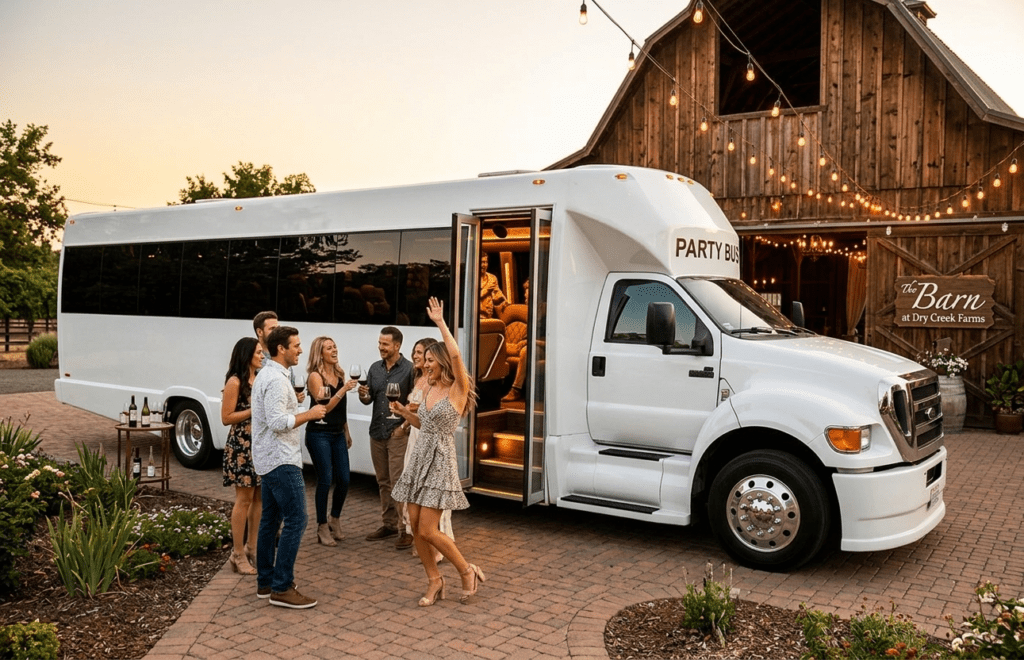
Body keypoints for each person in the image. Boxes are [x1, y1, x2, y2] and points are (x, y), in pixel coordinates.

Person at [391, 297, 487, 606]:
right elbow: (424, 423)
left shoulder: (457, 390)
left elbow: (457, 355)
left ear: (444, 362)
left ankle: (466, 570)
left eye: (431, 360)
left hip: (440, 461)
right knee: (416, 524)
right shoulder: (428, 387)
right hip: (420, 457)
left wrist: (441, 324)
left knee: (429, 529)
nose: (425, 364)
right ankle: (434, 581)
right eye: (425, 360)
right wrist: (405, 415)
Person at [251, 325, 326, 609]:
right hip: (281, 460)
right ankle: (281, 587)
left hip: (269, 459)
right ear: (281, 348)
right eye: (296, 345)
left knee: (270, 521)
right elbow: (277, 422)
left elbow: (277, 414)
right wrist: (310, 413)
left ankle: (266, 582)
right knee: (298, 520)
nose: (300, 349)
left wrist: (296, 406)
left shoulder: (269, 374)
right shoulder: (275, 379)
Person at [358, 326, 416, 549]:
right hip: (377, 431)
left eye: (385, 344)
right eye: (380, 343)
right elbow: (370, 398)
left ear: (397, 346)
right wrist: (364, 395)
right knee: (383, 482)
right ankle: (389, 524)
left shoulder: (409, 370)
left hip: (397, 433)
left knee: (398, 482)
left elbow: (414, 403)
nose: (380, 347)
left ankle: (405, 530)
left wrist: (403, 426)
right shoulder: (375, 368)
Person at [400, 337, 454, 562]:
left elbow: (433, 414)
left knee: (433, 499)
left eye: (423, 354)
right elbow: (418, 414)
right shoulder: (421, 379)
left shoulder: (443, 386)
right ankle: (420, 541)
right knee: (414, 496)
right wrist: (404, 416)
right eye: (416, 352)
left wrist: (440, 322)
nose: (417, 357)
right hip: (416, 437)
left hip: (434, 445)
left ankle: (440, 548)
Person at [305, 336, 358, 546]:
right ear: (320, 353)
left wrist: (346, 430)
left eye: (335, 346)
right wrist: (344, 389)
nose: (334, 350)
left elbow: (341, 408)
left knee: (344, 479)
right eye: (329, 348)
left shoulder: (339, 373)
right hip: (319, 434)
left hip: (337, 433)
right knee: (325, 479)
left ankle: (335, 518)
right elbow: (324, 408)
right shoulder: (314, 377)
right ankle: (321, 526)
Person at [221, 337, 264, 576]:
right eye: (258, 352)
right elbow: (226, 417)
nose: (262, 355)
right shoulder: (235, 382)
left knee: (259, 499)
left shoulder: (258, 378)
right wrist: (253, 410)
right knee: (244, 500)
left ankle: (252, 548)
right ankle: (237, 553)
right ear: (247, 355)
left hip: (258, 445)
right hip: (241, 446)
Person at [479, 253, 507, 319]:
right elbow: (470, 298)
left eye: (485, 262)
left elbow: (497, 294)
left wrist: (505, 302)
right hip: (475, 318)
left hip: (488, 316)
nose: (484, 265)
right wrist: (486, 291)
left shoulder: (492, 278)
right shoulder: (470, 279)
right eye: (481, 262)